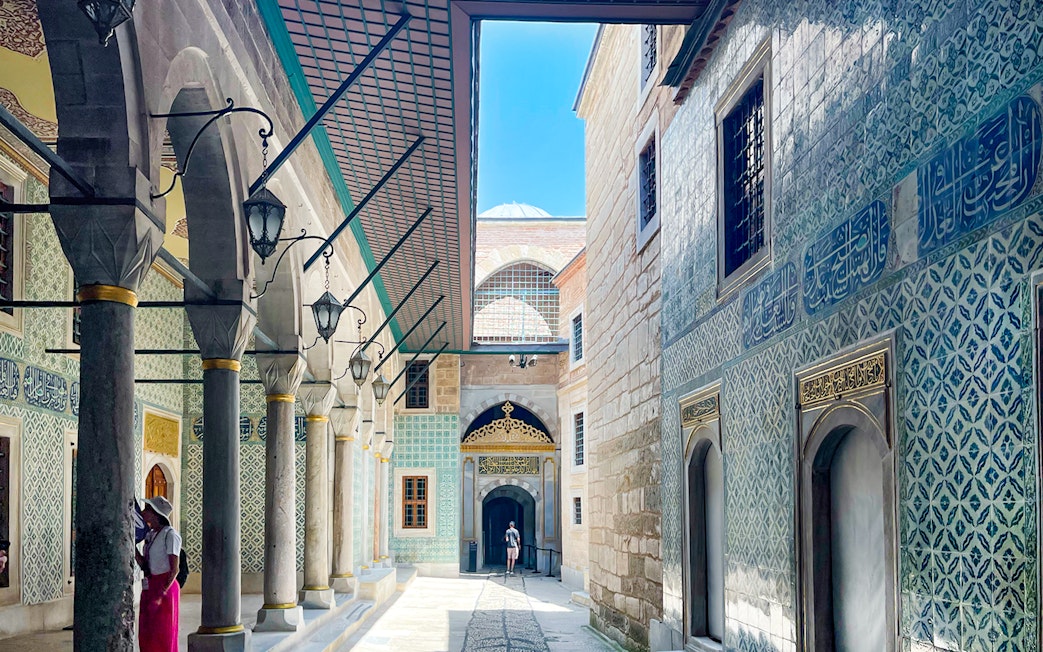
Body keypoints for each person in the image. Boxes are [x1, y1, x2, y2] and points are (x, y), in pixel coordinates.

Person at [135, 496, 181, 652]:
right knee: (147, 630)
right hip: (150, 585)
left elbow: (174, 569)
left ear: (155, 514)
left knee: (162, 631)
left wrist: (162, 593)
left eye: (147, 509)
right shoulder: (150, 535)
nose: (143, 512)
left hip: (165, 588)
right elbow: (145, 565)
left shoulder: (170, 535)